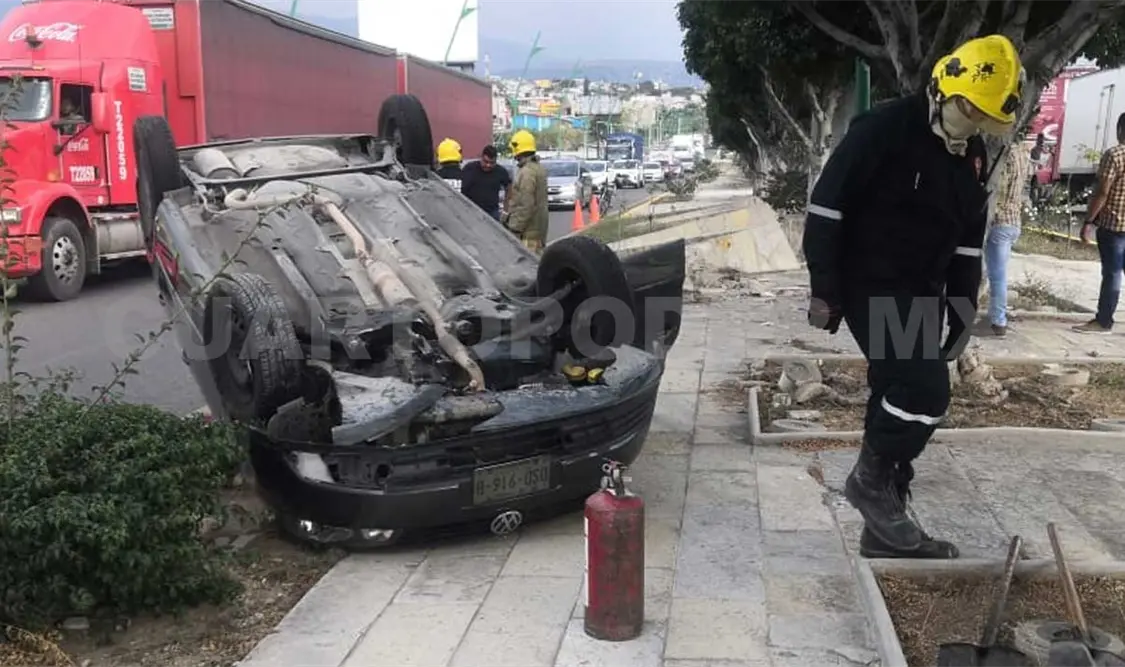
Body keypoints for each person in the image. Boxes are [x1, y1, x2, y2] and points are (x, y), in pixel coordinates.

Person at [803, 34, 1025, 560]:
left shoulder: (970, 152)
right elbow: (827, 208)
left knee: (893, 391)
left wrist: (963, 306)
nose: (977, 127)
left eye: (985, 121)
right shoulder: (884, 128)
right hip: (871, 285)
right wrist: (825, 289)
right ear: (948, 92)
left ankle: (883, 523)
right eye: (972, 113)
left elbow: (969, 237)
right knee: (925, 390)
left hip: (922, 290)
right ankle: (869, 483)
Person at [1074, 113, 1125, 334]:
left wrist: (1088, 221)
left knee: (1112, 274)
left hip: (1113, 225)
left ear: (1120, 130)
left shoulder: (1114, 155)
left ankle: (1104, 321)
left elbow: (1103, 191)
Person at [978, 139, 1032, 337]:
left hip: (998, 220)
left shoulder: (1003, 153)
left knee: (995, 275)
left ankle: (998, 320)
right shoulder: (1023, 152)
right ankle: (995, 317)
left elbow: (996, 190)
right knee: (997, 274)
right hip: (1013, 219)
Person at [504, 130, 548, 253]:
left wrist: (514, 227)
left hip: (528, 233)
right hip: (538, 230)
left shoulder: (526, 172)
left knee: (527, 266)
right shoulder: (538, 168)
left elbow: (526, 204)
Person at [461, 145, 512, 222]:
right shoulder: (469, 168)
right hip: (471, 212)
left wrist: (505, 210)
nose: (488, 165)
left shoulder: (501, 171)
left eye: (492, 163)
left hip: (492, 212)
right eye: (486, 162)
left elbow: (509, 187)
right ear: (481, 157)